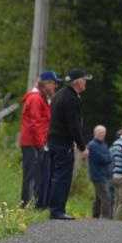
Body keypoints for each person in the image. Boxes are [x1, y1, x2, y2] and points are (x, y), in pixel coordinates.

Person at [47, 68, 91, 220]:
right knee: (62, 177)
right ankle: (57, 210)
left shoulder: (59, 95)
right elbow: (73, 125)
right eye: (84, 80)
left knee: (55, 175)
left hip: (53, 140)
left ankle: (53, 207)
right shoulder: (71, 99)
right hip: (62, 142)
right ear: (78, 82)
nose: (86, 83)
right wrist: (82, 146)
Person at [19, 70, 59, 209]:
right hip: (32, 143)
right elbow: (35, 123)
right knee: (31, 175)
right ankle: (26, 204)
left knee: (35, 175)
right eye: (54, 83)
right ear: (46, 84)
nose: (55, 86)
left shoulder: (40, 97)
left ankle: (31, 204)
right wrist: (40, 144)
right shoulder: (36, 98)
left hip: (34, 142)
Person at [87, 125, 112, 219]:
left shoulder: (104, 145)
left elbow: (109, 157)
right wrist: (107, 157)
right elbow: (103, 159)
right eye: (100, 133)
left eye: (103, 133)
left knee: (98, 197)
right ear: (95, 133)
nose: (102, 135)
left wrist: (107, 157)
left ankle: (95, 215)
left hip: (104, 174)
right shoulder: (92, 145)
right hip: (97, 175)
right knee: (106, 197)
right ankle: (106, 217)